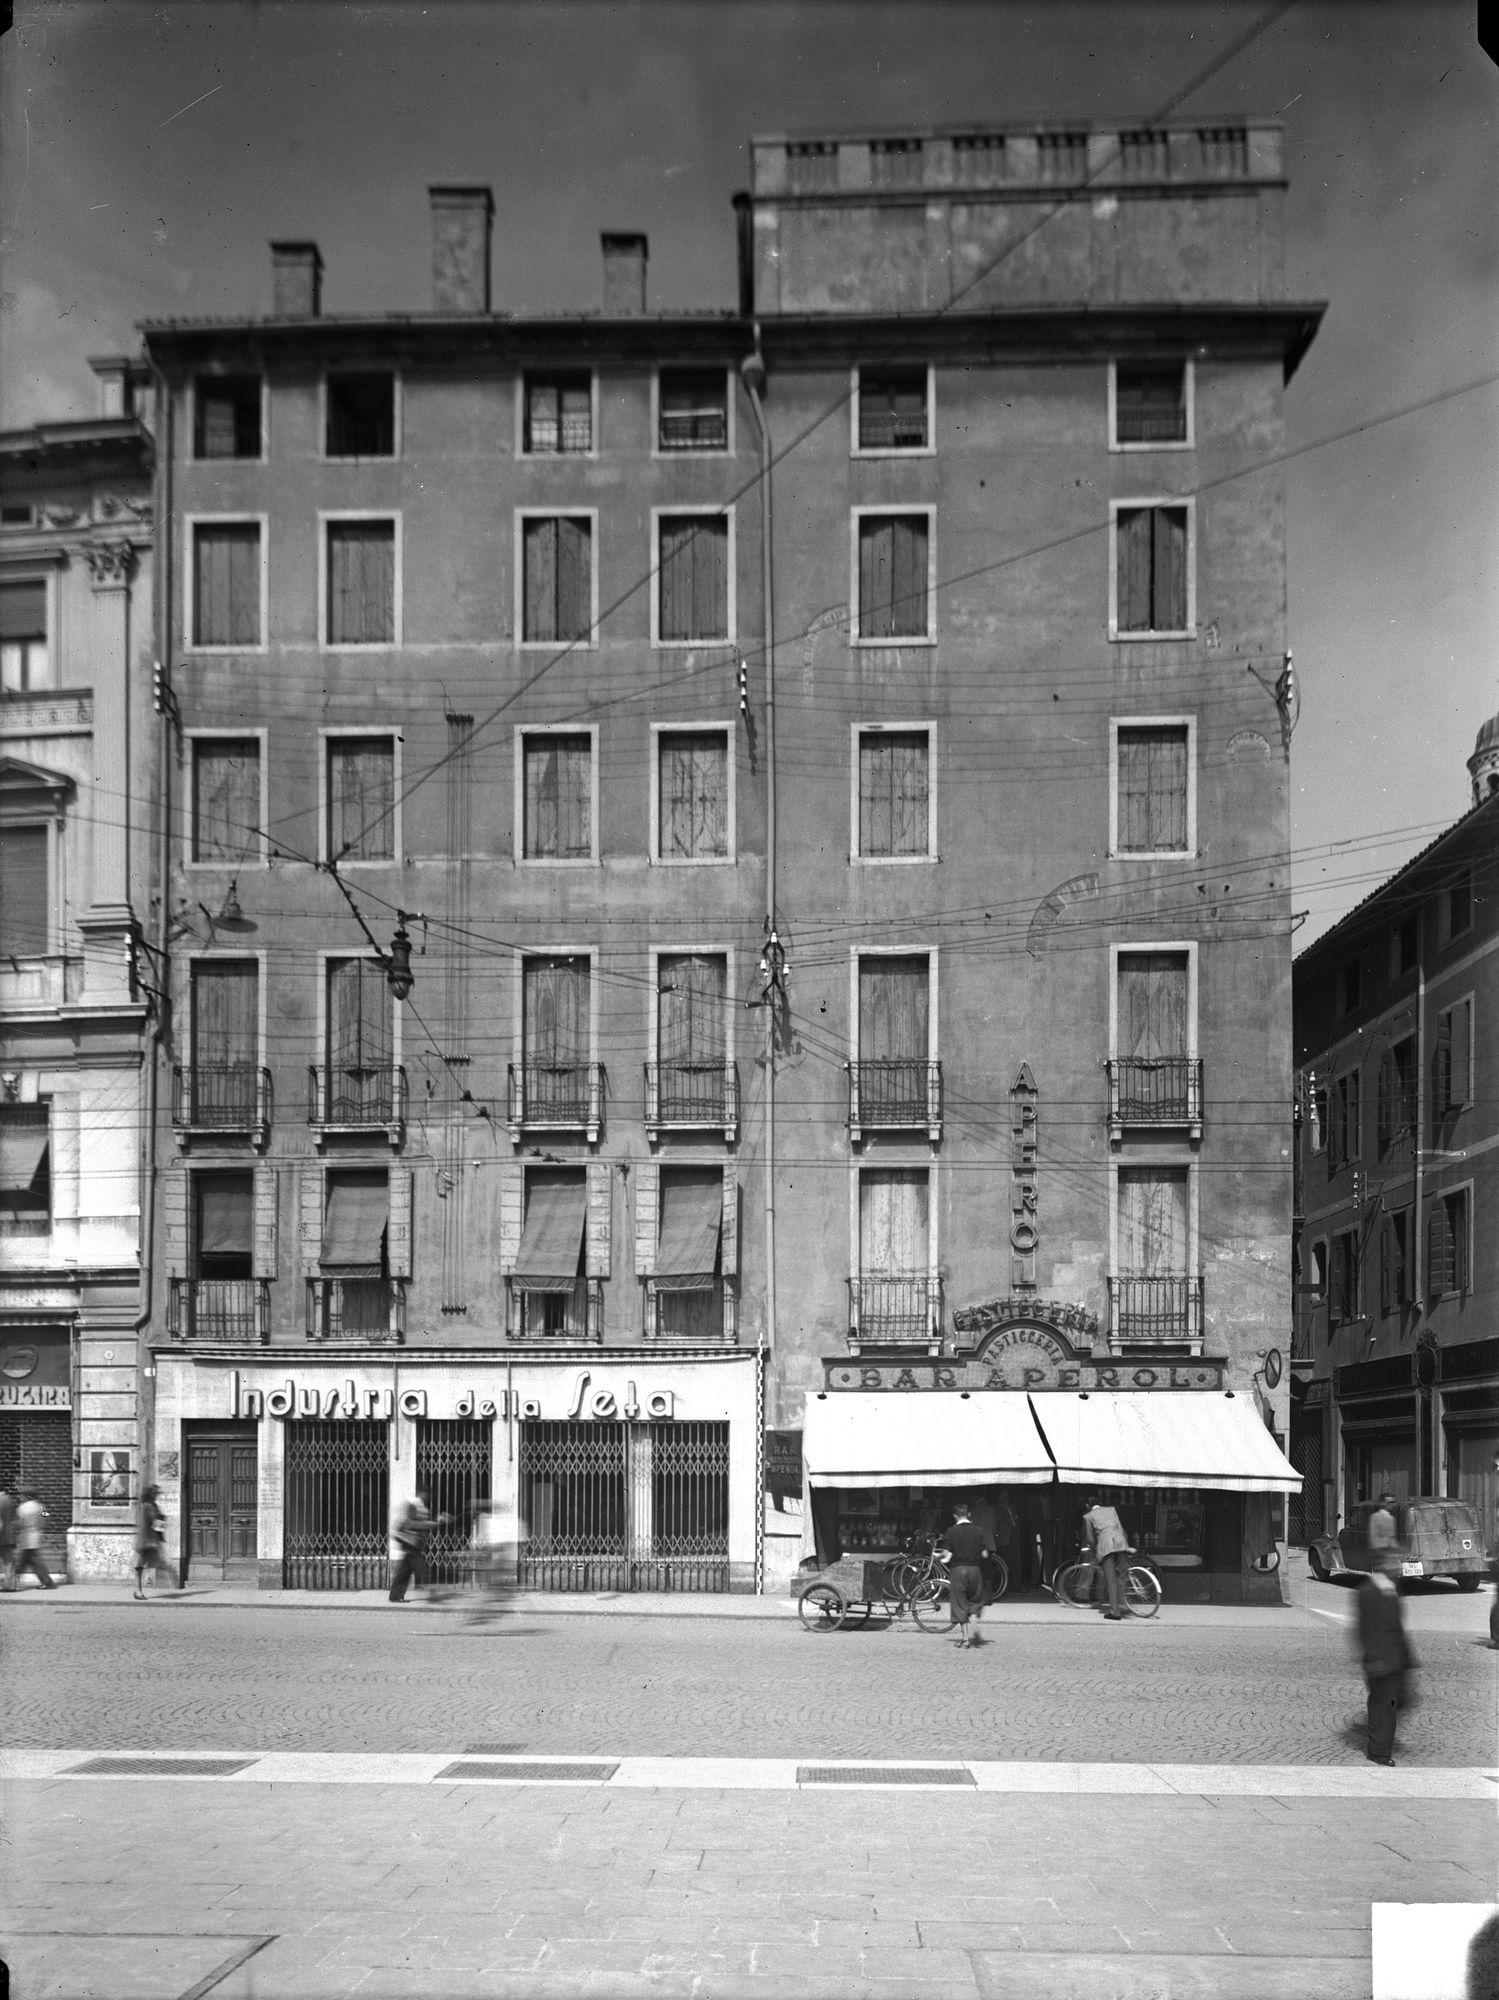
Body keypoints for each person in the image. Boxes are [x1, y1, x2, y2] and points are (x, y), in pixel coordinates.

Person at [1355, 1550, 1416, 1766]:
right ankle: (1379, 1753)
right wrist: (1375, 1658)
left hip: (1397, 1658)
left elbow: (1397, 1628)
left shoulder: (1391, 1589)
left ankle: (1376, 1728)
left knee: (1402, 1700)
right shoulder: (1368, 1591)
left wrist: (1408, 1659)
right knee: (1384, 1706)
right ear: (1382, 1565)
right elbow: (1363, 1630)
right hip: (1381, 1661)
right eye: (1394, 1562)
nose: (1399, 1566)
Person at [937, 1501, 992, 1649]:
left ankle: (965, 1639)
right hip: (975, 1569)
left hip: (958, 1570)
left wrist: (938, 1557)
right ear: (968, 1515)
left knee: (960, 1602)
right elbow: (985, 1554)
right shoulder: (979, 1531)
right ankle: (975, 1628)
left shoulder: (951, 1531)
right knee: (975, 1600)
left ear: (955, 1516)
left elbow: (946, 1554)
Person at [389, 1489, 443, 1604]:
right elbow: (410, 1524)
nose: (428, 1497)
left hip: (412, 1545)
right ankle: (431, 1592)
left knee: (404, 1572)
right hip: (411, 1544)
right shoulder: (413, 1506)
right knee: (423, 1571)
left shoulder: (418, 1506)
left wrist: (434, 1522)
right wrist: (429, 1524)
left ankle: (395, 1596)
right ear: (421, 1494)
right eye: (426, 1494)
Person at [1083, 1494, 1130, 1621]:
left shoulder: (1088, 1516)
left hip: (1106, 1546)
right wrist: (1126, 1544)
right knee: (1121, 1575)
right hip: (1120, 1542)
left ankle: (1115, 1613)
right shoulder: (1112, 1509)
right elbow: (1121, 1528)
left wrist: (1095, 1552)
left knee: (1111, 1581)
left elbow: (1091, 1539)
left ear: (1088, 1506)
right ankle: (1124, 1604)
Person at [133, 1484, 177, 1597]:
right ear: (150, 1494)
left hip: (150, 1540)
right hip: (146, 1540)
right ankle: (138, 1591)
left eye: (156, 1494)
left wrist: (161, 1522)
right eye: (155, 1493)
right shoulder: (147, 1506)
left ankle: (139, 1590)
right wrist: (162, 1521)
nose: (156, 1496)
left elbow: (156, 1522)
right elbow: (154, 1522)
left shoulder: (151, 1506)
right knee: (140, 1566)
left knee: (143, 1565)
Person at [13, 1489, 56, 1589]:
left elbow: (20, 1523)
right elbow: (46, 1518)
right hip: (36, 1534)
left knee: (31, 1559)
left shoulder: (22, 1508)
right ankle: (12, 1579)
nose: (20, 1497)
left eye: (22, 1495)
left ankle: (48, 1582)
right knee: (27, 1559)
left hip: (26, 1536)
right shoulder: (40, 1506)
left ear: (26, 1496)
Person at [0, 1484, 16, 1591]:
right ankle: (11, 1585)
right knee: (9, 1562)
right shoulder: (10, 1500)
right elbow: (14, 1516)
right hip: (9, 1535)